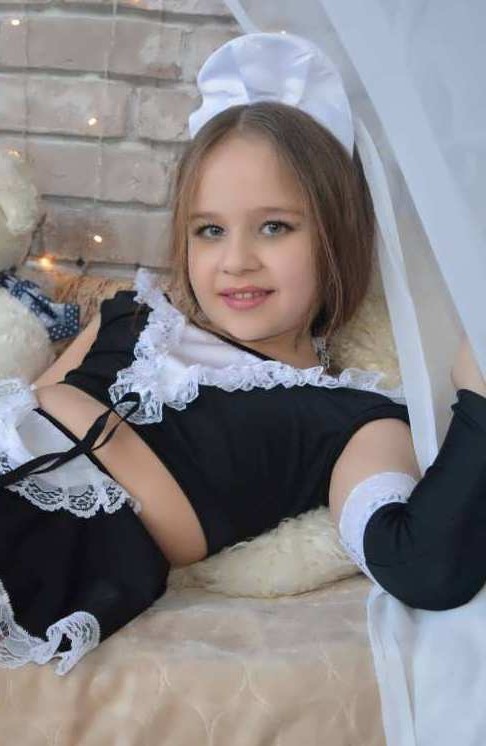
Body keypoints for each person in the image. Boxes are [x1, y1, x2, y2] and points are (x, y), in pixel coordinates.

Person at [0, 31, 485, 677]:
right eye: (210, 230)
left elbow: (423, 567)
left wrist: (478, 395)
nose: (236, 261)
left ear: (338, 235)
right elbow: (25, 407)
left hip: (43, 545)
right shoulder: (132, 313)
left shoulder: (351, 418)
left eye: (274, 227)